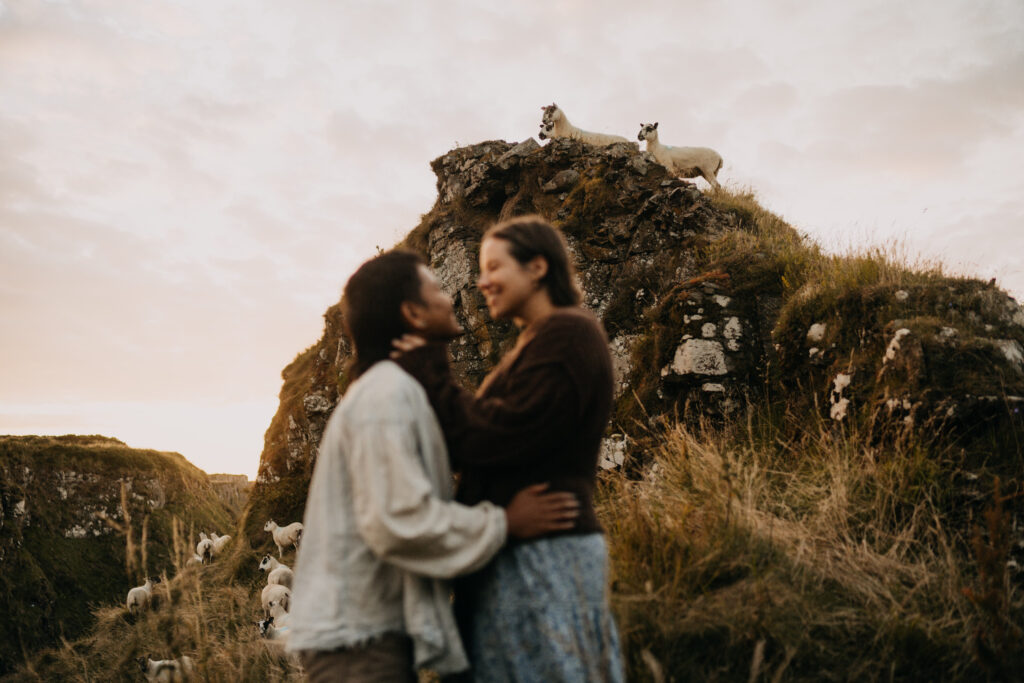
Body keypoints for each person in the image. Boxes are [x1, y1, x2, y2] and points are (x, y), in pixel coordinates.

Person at [286, 249, 581, 683]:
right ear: (413, 313)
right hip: (356, 642)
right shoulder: (386, 397)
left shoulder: (392, 389)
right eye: (438, 290)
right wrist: (504, 523)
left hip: (363, 632)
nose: (451, 297)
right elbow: (396, 521)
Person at [392, 215, 624, 682]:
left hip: (544, 552)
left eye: (494, 267)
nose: (482, 282)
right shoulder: (541, 340)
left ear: (537, 267)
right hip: (528, 550)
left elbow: (495, 436)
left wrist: (426, 362)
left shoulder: (569, 335)